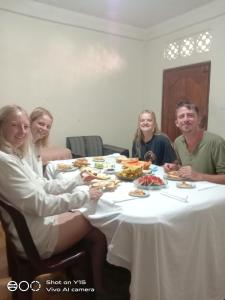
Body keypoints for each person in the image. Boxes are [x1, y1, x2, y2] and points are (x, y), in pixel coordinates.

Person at [0, 105, 107, 295]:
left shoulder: (12, 154)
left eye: (25, 126)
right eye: (15, 125)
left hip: (32, 224)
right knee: (95, 219)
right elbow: (42, 204)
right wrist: (83, 196)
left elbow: (40, 184)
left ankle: (82, 279)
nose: (22, 131)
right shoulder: (4, 160)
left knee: (87, 221)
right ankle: (96, 289)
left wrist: (77, 180)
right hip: (36, 237)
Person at [164, 100, 225, 184]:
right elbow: (184, 167)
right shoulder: (178, 142)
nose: (186, 119)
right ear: (177, 123)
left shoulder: (216, 142)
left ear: (199, 120)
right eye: (181, 116)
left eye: (190, 115)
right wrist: (175, 168)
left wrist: (200, 176)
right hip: (188, 190)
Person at [26, 107, 53, 177]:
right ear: (30, 122)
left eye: (48, 127)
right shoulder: (24, 146)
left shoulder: (36, 144)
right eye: (41, 124)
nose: (44, 128)